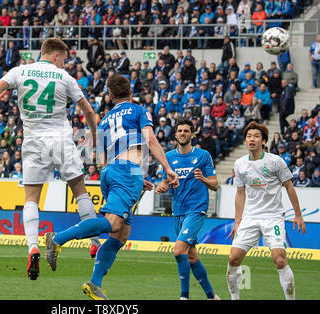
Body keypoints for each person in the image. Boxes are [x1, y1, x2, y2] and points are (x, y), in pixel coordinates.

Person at [0, 38, 101, 281]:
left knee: (31, 198)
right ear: (54, 56)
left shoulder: (19, 71)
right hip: (61, 140)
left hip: (33, 142)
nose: (64, 64)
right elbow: (88, 111)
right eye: (63, 59)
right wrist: (94, 136)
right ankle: (94, 242)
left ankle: (32, 247)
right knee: (80, 192)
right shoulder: (64, 78)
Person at [44, 74, 179, 300]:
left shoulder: (105, 119)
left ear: (110, 95)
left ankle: (95, 283)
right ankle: (57, 239)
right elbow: (151, 140)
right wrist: (166, 168)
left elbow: (102, 158)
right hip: (127, 171)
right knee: (113, 223)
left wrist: (135, 177)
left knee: (120, 234)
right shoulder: (138, 111)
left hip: (112, 171)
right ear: (130, 92)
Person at [226, 121, 306, 300]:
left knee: (279, 259)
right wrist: (237, 222)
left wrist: (298, 215)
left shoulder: (276, 161)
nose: (251, 139)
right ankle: (234, 298)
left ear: (263, 141)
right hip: (250, 217)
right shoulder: (239, 164)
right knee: (233, 259)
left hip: (273, 217)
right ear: (245, 141)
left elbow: (289, 187)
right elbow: (240, 193)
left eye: (256, 136)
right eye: (248, 136)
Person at [155, 118, 220, 300]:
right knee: (191, 257)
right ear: (175, 134)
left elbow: (215, 185)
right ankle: (212, 296)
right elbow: (166, 183)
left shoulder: (203, 156)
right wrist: (162, 187)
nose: (183, 133)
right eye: (180, 131)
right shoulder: (168, 157)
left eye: (186, 131)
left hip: (196, 209)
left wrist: (204, 179)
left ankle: (184, 296)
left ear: (192, 134)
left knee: (178, 251)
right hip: (178, 211)